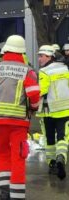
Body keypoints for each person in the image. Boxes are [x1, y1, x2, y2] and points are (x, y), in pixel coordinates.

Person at [0, 35, 40, 200]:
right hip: (19, 122)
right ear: (22, 52)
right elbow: (34, 94)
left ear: (5, 51)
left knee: (3, 154)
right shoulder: (27, 70)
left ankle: (4, 193)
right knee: (18, 158)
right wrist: (33, 108)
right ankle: (17, 196)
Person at [37, 45, 69, 180]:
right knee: (62, 137)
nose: (39, 59)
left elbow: (41, 91)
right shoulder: (65, 68)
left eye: (41, 56)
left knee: (50, 139)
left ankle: (52, 164)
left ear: (49, 56)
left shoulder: (44, 71)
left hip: (48, 111)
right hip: (65, 109)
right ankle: (61, 156)